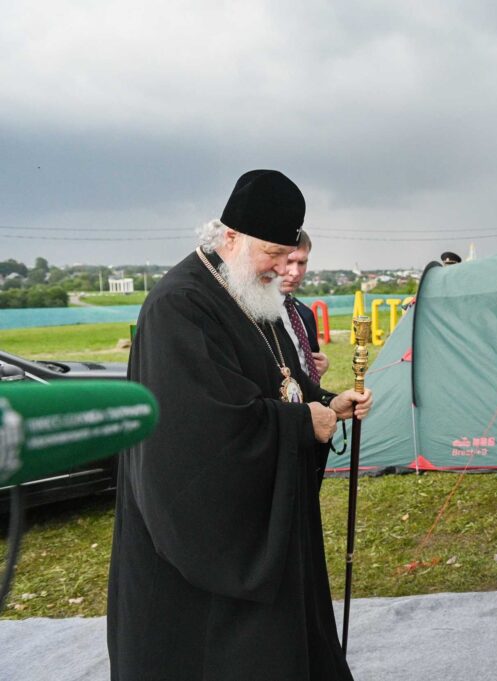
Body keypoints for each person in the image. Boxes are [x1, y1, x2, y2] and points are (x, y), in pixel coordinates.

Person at [107, 169, 373, 681]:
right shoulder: (180, 306)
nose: (282, 267)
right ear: (229, 238)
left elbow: (279, 381)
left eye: (287, 253)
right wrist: (300, 424)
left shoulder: (253, 292)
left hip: (270, 521)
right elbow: (199, 430)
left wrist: (325, 402)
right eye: (273, 253)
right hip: (203, 549)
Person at [281, 229, 329, 383]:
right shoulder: (252, 314)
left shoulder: (304, 313)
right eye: (288, 261)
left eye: (301, 262)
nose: (295, 272)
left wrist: (317, 367)